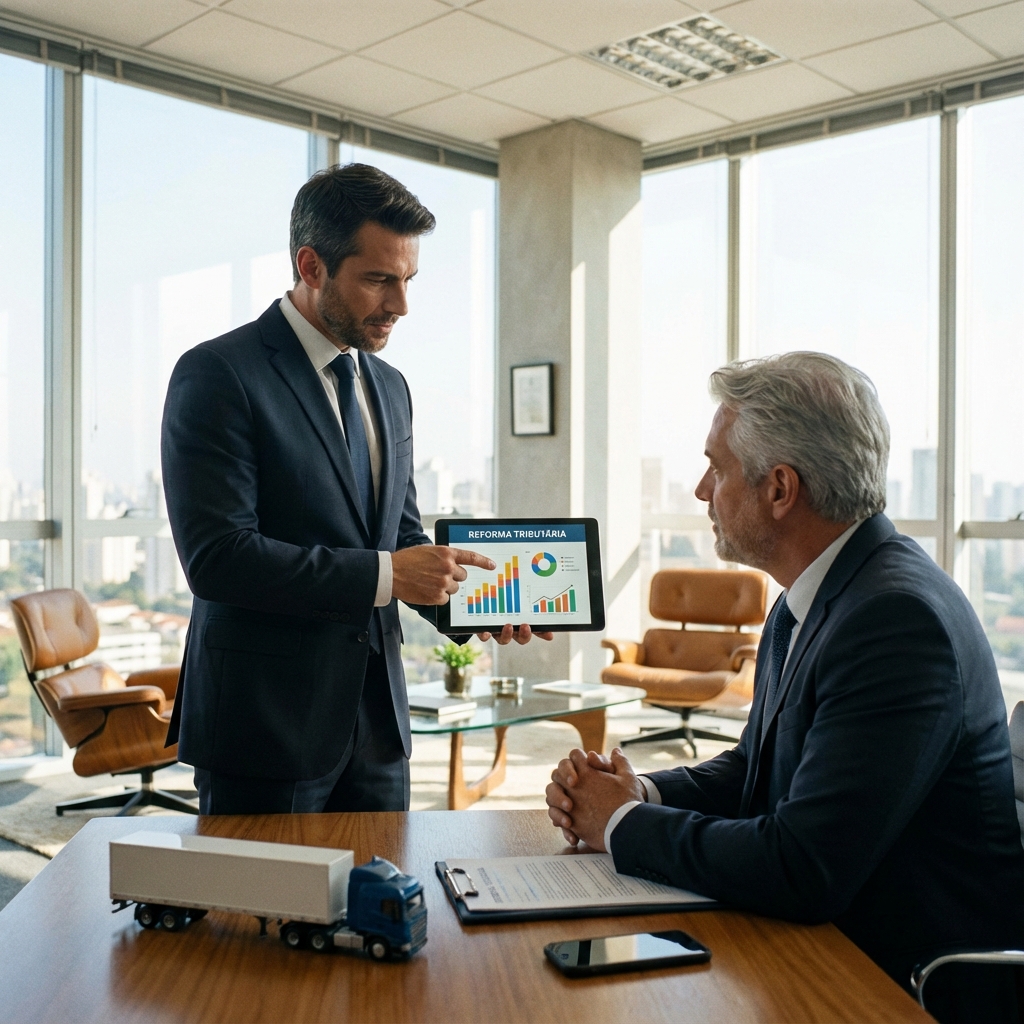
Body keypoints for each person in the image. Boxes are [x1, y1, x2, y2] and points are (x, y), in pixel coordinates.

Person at [546, 352, 1024, 1022]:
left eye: (717, 468)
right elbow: (757, 767)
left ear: (779, 489)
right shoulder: (815, 594)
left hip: (902, 983)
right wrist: (638, 791)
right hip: (827, 944)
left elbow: (804, 869)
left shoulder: (896, 620)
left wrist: (620, 822)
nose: (701, 490)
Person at [162, 163, 549, 816]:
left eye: (407, 280)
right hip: (265, 726)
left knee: (385, 885)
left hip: (378, 728)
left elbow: (400, 537)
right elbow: (219, 558)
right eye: (378, 280)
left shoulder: (390, 387)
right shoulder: (219, 373)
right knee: (260, 889)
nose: (401, 305)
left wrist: (472, 606)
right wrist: (389, 575)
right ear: (311, 266)